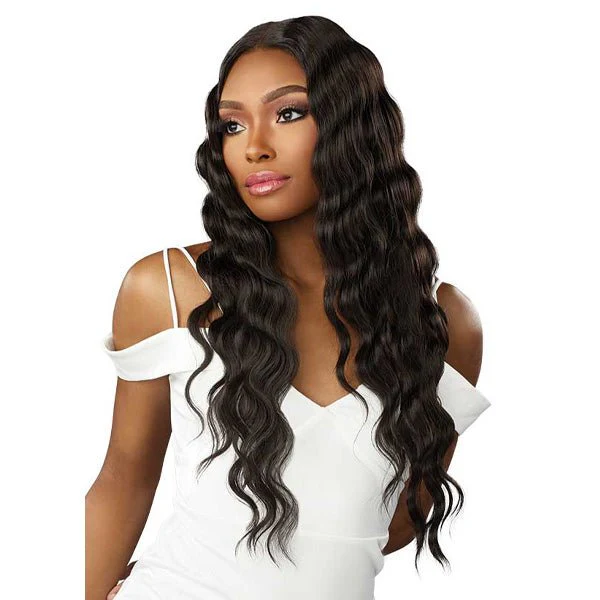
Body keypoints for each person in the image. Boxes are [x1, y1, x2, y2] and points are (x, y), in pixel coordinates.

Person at [86, 15, 491, 600]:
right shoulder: (170, 289)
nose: (254, 146)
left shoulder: (442, 322)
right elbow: (123, 477)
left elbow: (394, 524)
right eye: (232, 124)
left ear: (354, 126)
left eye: (289, 113)